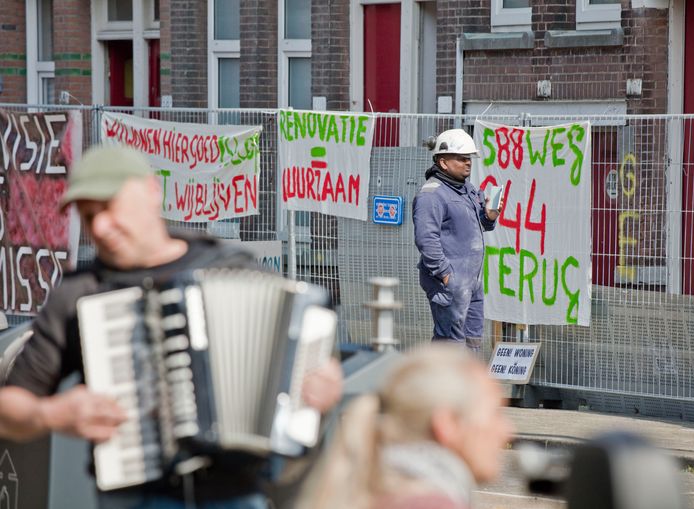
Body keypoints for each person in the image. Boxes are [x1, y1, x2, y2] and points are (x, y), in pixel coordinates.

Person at [0, 144, 343, 509]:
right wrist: (51, 414)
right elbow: (10, 406)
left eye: (109, 207)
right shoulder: (80, 293)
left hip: (237, 493)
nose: (99, 226)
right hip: (138, 495)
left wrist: (323, 385)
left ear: (151, 191)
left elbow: (308, 361)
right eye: (87, 215)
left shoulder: (231, 267)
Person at [295, 344, 514, 509]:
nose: (507, 431)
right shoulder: (433, 503)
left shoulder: (376, 491)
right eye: (495, 413)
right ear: (447, 424)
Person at [412, 128, 502, 353]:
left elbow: (480, 223)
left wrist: (489, 217)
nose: (468, 163)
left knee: (472, 340)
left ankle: (467, 386)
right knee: (450, 344)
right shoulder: (431, 195)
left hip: (471, 282)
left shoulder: (467, 190)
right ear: (443, 162)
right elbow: (426, 239)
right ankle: (442, 388)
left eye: (469, 158)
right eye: (461, 158)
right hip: (451, 283)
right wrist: (445, 275)